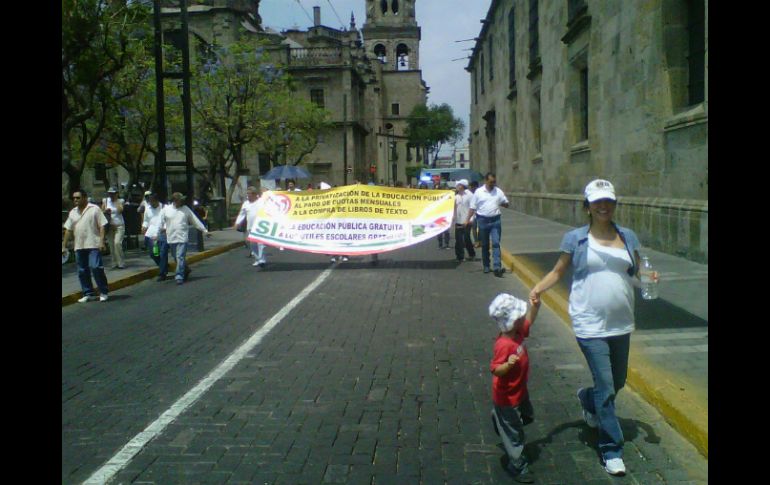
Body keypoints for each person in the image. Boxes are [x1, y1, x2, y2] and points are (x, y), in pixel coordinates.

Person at [528, 179, 659, 477]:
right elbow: (559, 270)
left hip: (621, 322)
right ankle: (611, 449)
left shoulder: (627, 236)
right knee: (607, 387)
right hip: (589, 322)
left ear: (614, 204)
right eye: (597, 201)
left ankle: (586, 398)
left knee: (617, 380)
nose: (603, 206)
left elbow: (638, 271)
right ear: (587, 206)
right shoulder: (575, 238)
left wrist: (649, 277)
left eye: (608, 201)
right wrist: (538, 289)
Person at [488, 293, 541, 483]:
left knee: (526, 416)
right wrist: (508, 365)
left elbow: (529, 320)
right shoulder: (504, 344)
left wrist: (535, 305)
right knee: (515, 434)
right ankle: (517, 465)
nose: (523, 318)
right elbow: (495, 370)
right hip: (506, 398)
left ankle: (499, 420)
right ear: (511, 322)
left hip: (520, 391)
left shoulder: (518, 332)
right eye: (520, 316)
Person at [62, 189, 110, 302]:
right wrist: (63, 245)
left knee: (96, 267)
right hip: (79, 245)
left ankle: (103, 291)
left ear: (84, 198)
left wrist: (102, 241)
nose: (75, 200)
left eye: (78, 198)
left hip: (93, 243)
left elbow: (102, 225)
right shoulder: (73, 212)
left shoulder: (94, 209)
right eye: (74, 198)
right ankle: (88, 292)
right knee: (82, 270)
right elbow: (68, 229)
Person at [159, 192, 212, 285]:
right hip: (171, 237)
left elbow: (195, 220)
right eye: (180, 199)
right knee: (176, 257)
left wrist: (204, 230)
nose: (183, 201)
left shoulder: (186, 209)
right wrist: (157, 232)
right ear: (175, 201)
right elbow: (160, 221)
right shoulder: (166, 210)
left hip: (182, 237)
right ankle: (185, 269)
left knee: (180, 257)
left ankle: (179, 276)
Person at [465, 173, 509, 277]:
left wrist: (503, 203)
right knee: (484, 244)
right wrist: (467, 220)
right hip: (482, 221)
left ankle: (497, 267)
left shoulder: (498, 191)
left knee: (495, 243)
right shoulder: (479, 192)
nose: (493, 184)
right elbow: (472, 207)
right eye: (491, 182)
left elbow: (506, 203)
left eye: (494, 182)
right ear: (486, 181)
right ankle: (486, 265)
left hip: (495, 221)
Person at [235, 186, 268, 268]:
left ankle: (262, 260)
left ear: (254, 194)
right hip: (250, 226)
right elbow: (242, 214)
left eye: (249, 194)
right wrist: (237, 223)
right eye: (247, 194)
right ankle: (257, 259)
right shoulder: (246, 204)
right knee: (253, 244)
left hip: (261, 226)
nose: (248, 196)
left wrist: (266, 192)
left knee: (261, 243)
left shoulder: (261, 201)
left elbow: (270, 199)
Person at [141, 193, 168, 281]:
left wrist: (165, 228)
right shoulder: (148, 209)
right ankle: (164, 266)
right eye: (150, 202)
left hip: (162, 233)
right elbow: (146, 221)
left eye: (152, 202)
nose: (151, 204)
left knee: (163, 253)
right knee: (153, 254)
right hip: (151, 233)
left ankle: (162, 273)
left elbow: (169, 220)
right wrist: (144, 227)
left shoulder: (164, 207)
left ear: (157, 201)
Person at [102, 187, 126, 269]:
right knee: (111, 245)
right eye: (110, 193)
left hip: (119, 225)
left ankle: (121, 262)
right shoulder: (105, 201)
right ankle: (114, 262)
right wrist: (106, 211)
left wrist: (115, 201)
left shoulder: (120, 201)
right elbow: (101, 213)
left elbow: (120, 210)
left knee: (117, 243)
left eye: (113, 193)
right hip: (109, 226)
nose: (111, 195)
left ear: (116, 194)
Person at [453, 179, 476, 262]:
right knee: (458, 239)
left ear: (462, 186)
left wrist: (471, 218)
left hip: (467, 220)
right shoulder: (456, 196)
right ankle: (460, 256)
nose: (457, 186)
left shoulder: (470, 195)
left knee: (466, 238)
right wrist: (453, 216)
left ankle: (471, 254)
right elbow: (454, 208)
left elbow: (473, 207)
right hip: (458, 220)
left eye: (458, 185)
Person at [469, 181, 481, 248]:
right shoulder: (470, 194)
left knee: (480, 228)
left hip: (480, 213)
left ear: (475, 187)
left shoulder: (479, 193)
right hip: (473, 213)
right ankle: (476, 241)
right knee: (474, 228)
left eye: (471, 187)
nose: (470, 188)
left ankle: (479, 241)